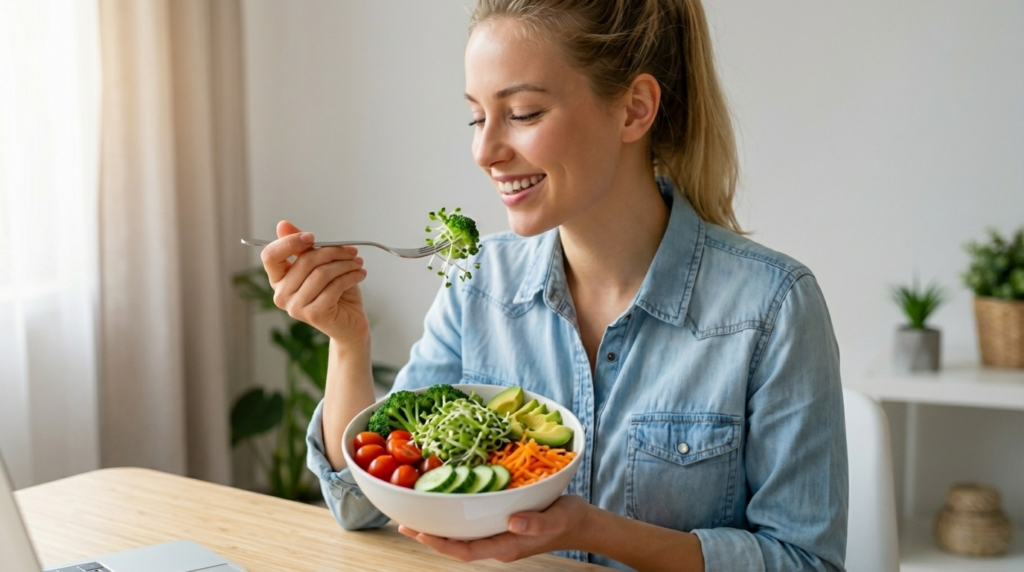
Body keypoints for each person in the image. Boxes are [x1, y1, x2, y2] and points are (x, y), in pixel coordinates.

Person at [259, 0, 848, 570]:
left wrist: (592, 530)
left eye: (522, 114)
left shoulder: (773, 307)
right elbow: (361, 505)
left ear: (634, 110)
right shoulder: (477, 282)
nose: (484, 151)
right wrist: (348, 342)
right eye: (476, 117)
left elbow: (804, 562)